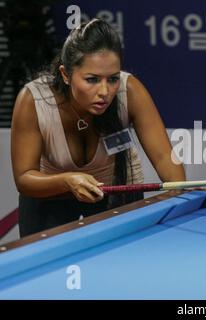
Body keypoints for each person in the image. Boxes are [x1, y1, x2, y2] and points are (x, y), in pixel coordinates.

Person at [10, 19, 186, 237]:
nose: (105, 91)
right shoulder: (33, 100)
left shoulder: (129, 90)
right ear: (65, 74)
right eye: (92, 79)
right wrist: (67, 180)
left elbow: (163, 157)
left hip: (117, 190)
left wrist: (181, 192)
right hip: (50, 194)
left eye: (113, 78)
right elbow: (25, 178)